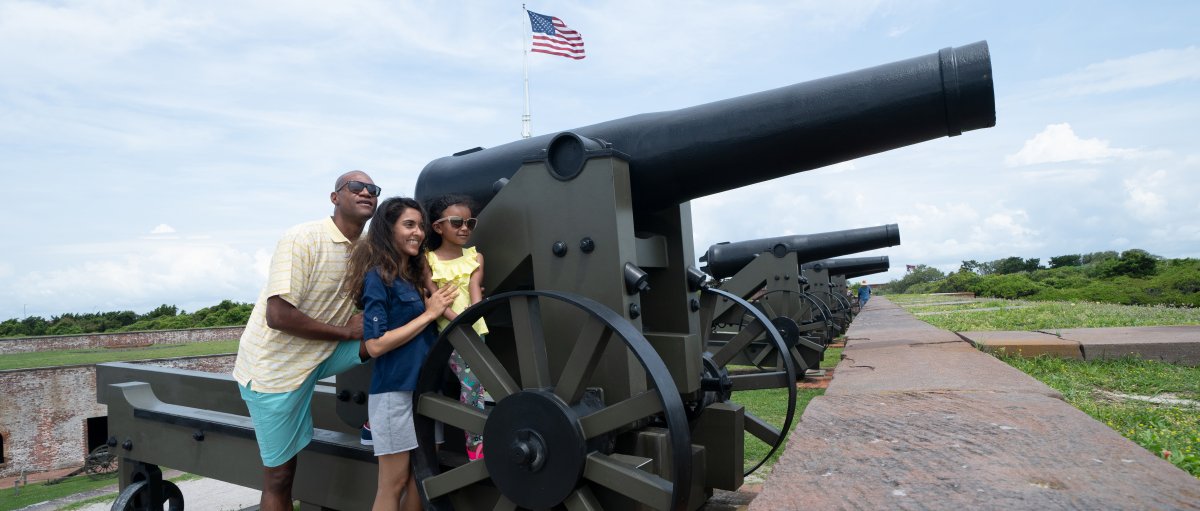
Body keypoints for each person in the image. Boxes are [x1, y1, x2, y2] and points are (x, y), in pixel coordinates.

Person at [232, 171, 381, 511]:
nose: (365, 192)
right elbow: (278, 316)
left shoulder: (367, 248)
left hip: (321, 353)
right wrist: (346, 331)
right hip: (276, 369)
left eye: (372, 189)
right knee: (280, 476)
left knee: (384, 337)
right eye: (355, 187)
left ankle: (381, 415)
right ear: (334, 197)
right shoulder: (303, 239)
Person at [343, 197, 458, 511]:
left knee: (419, 483)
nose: (418, 233)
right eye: (409, 225)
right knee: (392, 485)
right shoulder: (378, 278)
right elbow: (376, 344)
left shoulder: (414, 279)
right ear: (388, 230)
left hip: (426, 392)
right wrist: (427, 314)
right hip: (395, 392)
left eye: (420, 226)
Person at [424, 194, 489, 460]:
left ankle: (477, 437)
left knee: (479, 381)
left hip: (475, 326)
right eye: (456, 222)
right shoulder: (428, 260)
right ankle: (475, 443)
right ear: (438, 227)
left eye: (469, 223)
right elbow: (434, 294)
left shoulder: (475, 257)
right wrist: (458, 320)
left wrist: (474, 313)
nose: (464, 228)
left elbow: (475, 288)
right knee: (471, 382)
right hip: (450, 329)